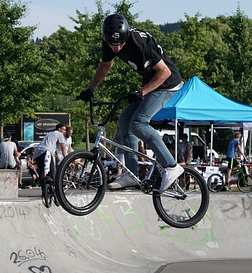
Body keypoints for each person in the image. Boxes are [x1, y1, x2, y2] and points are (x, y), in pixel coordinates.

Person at [78, 13, 184, 192]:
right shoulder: (109, 42)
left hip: (167, 84)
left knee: (139, 123)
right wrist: (91, 89)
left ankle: (171, 166)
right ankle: (131, 174)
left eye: (120, 44)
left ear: (126, 36)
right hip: (151, 85)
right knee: (125, 121)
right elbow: (105, 65)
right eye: (113, 44)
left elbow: (164, 72)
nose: (117, 48)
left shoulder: (139, 43)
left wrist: (142, 92)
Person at [34, 124, 68, 196]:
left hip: (38, 153)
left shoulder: (49, 134)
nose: (64, 131)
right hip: (47, 152)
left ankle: (44, 191)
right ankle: (56, 190)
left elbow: (52, 146)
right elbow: (63, 148)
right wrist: (67, 158)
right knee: (52, 170)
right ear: (59, 129)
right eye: (63, 129)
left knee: (41, 171)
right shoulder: (59, 134)